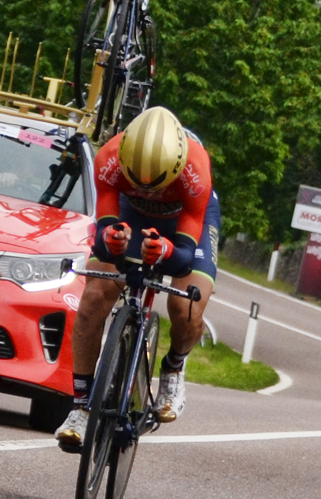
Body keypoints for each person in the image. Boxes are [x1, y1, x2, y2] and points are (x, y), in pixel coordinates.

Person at [56, 106, 218, 449]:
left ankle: (173, 367)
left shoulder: (196, 170)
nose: (150, 191)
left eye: (158, 185)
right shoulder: (109, 158)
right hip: (130, 212)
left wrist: (165, 251)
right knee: (93, 299)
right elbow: (103, 238)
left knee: (187, 306)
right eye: (139, 183)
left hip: (184, 222)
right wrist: (112, 239)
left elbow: (184, 259)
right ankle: (81, 407)